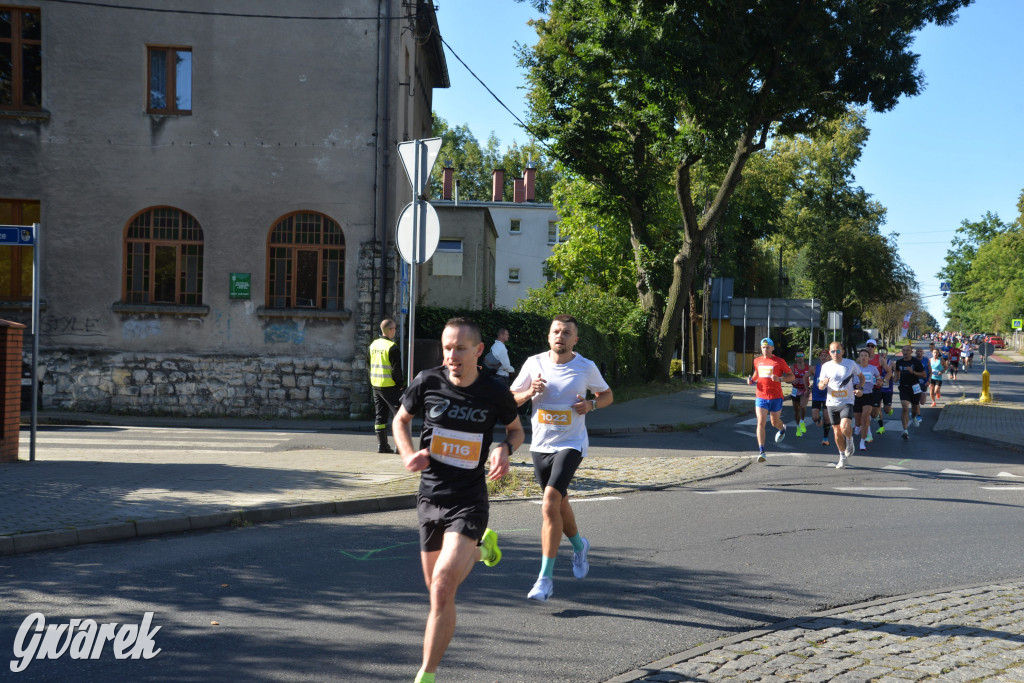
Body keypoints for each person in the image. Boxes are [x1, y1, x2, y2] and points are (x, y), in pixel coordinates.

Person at [392, 317, 525, 683]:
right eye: (447, 348)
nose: (452, 355)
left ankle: (426, 675)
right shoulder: (427, 381)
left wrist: (503, 449)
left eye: (460, 348)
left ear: (478, 351)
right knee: (435, 590)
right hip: (430, 497)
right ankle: (484, 552)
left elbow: (516, 431)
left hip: (468, 500)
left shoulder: (494, 391)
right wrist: (407, 455)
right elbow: (400, 421)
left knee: (443, 586)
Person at [510, 314, 612, 603]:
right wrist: (530, 392)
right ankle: (580, 546)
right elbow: (511, 397)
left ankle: (545, 579)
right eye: (556, 331)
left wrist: (591, 404)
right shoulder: (534, 363)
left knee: (550, 502)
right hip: (541, 445)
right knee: (561, 502)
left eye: (567, 333)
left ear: (575, 339)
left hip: (572, 444)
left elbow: (607, 395)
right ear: (549, 336)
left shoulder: (585, 366)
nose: (561, 336)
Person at [746, 338, 795, 462]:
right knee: (761, 422)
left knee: (774, 422)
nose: (765, 349)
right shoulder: (757, 361)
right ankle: (762, 452)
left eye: (767, 347)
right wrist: (752, 380)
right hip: (761, 396)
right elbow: (757, 373)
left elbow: (791, 376)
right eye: (763, 347)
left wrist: (779, 379)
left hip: (776, 397)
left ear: (773, 348)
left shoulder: (779, 361)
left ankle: (782, 428)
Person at [817, 342, 865, 468]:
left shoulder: (850, 363)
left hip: (847, 401)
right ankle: (842, 457)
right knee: (837, 431)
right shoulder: (826, 366)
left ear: (842, 352)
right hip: (831, 402)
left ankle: (849, 440)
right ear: (829, 353)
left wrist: (861, 388)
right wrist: (823, 384)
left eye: (838, 351)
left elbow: (861, 377)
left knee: (844, 427)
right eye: (832, 351)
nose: (835, 354)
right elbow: (820, 385)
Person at [368, 318, 404, 453]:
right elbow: (396, 370)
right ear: (390, 330)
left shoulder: (373, 345)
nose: (395, 330)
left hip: (376, 385)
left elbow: (368, 365)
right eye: (394, 328)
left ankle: (382, 446)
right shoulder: (392, 347)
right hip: (390, 385)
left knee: (380, 415)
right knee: (399, 415)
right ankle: (399, 447)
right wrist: (400, 385)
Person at [893, 345, 926, 440]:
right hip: (904, 387)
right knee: (904, 407)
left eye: (907, 350)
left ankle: (914, 415)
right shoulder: (899, 362)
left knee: (915, 408)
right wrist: (891, 379)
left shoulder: (916, 362)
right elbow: (896, 376)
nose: (905, 352)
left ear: (911, 352)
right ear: (902, 351)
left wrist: (913, 373)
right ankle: (905, 430)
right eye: (904, 350)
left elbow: (924, 374)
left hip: (915, 387)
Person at [854, 349, 881, 451]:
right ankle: (857, 426)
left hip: (868, 395)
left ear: (869, 358)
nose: (864, 358)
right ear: (859, 358)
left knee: (865, 418)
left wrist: (879, 382)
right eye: (862, 356)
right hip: (857, 396)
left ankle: (862, 442)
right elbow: (850, 382)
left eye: (866, 356)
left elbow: (879, 379)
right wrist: (855, 386)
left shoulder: (873, 369)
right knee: (858, 420)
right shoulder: (855, 369)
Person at [808, 348, 832, 446]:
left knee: (827, 418)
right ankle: (819, 416)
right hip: (817, 395)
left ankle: (825, 438)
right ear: (819, 357)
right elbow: (806, 376)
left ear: (829, 357)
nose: (823, 357)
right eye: (821, 355)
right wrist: (807, 388)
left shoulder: (833, 368)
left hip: (828, 396)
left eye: (825, 355)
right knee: (814, 418)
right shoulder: (814, 368)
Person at [789, 352, 810, 436]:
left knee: (803, 406)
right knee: (796, 410)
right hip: (795, 390)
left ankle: (802, 422)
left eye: (801, 356)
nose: (800, 358)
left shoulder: (808, 367)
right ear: (795, 358)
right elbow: (787, 379)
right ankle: (798, 427)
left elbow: (816, 376)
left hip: (804, 389)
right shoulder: (793, 367)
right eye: (798, 356)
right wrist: (792, 381)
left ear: (804, 357)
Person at [876, 346, 895, 432]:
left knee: (886, 410)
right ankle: (881, 427)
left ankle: (890, 409)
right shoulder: (876, 362)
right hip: (878, 389)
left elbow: (895, 374)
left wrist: (893, 376)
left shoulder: (891, 363)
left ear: (887, 353)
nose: (882, 353)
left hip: (887, 389)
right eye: (880, 351)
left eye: (884, 351)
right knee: (878, 408)